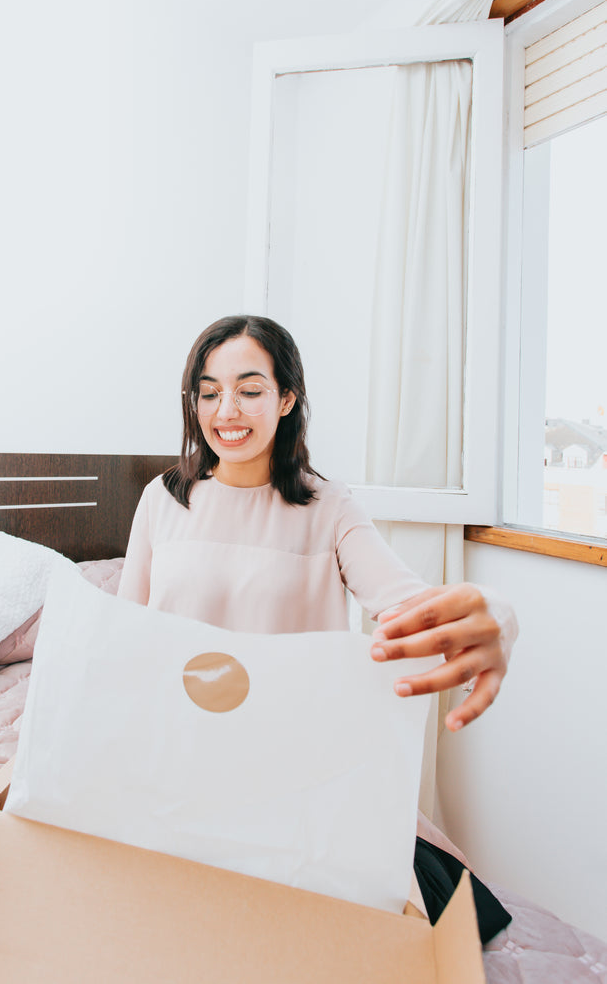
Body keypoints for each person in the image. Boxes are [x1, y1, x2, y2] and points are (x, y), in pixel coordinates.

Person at [119, 313, 516, 732]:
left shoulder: (330, 508)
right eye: (209, 393)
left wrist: (494, 611)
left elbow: (410, 606)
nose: (226, 412)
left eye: (249, 391)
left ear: (286, 399)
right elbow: (125, 634)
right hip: (177, 734)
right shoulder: (160, 499)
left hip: (291, 738)